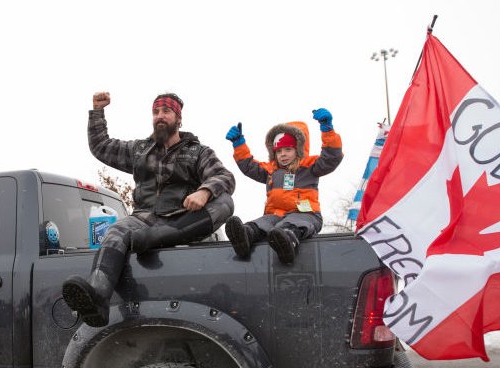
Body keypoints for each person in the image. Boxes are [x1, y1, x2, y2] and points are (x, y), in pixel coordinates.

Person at [61, 91, 236, 327]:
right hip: (143, 220)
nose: (160, 116)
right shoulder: (140, 150)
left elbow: (224, 176)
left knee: (225, 202)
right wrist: (97, 112)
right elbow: (101, 146)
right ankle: (98, 296)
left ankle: (157, 238)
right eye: (155, 112)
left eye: (166, 111)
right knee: (116, 232)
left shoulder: (197, 152)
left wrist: (204, 192)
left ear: (179, 118)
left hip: (182, 221)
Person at [223, 108, 343, 264]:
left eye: (288, 149)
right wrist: (239, 145)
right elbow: (250, 166)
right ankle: (245, 236)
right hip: (275, 215)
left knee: (291, 225)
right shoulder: (271, 169)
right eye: (278, 151)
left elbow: (331, 158)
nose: (283, 154)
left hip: (304, 213)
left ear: (299, 149)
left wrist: (327, 130)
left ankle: (287, 241)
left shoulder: (309, 166)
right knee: (262, 223)